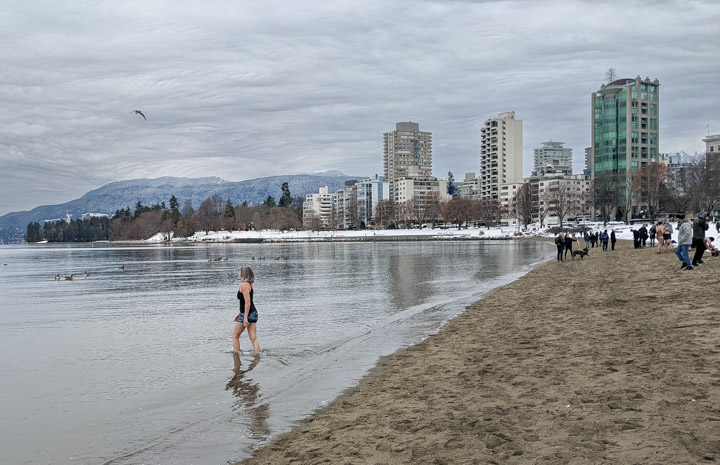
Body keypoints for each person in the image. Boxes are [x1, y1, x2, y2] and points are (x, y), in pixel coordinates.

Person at [233, 266, 260, 354]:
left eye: (240, 272)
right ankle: (257, 355)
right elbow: (246, 302)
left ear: (243, 274)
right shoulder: (249, 285)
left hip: (247, 314)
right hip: (253, 313)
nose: (238, 273)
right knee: (253, 338)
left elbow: (248, 302)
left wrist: (245, 317)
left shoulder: (244, 285)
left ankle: (236, 357)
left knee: (235, 336)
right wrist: (239, 313)